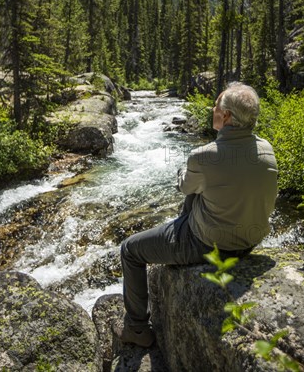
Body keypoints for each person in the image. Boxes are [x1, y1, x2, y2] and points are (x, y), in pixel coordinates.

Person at [113, 82, 278, 348]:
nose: (212, 109)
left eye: (216, 105)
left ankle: (137, 329)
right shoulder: (267, 149)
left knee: (130, 250)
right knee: (204, 191)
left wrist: (184, 170)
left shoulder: (203, 156)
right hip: (250, 241)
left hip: (209, 244)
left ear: (225, 116)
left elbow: (183, 187)